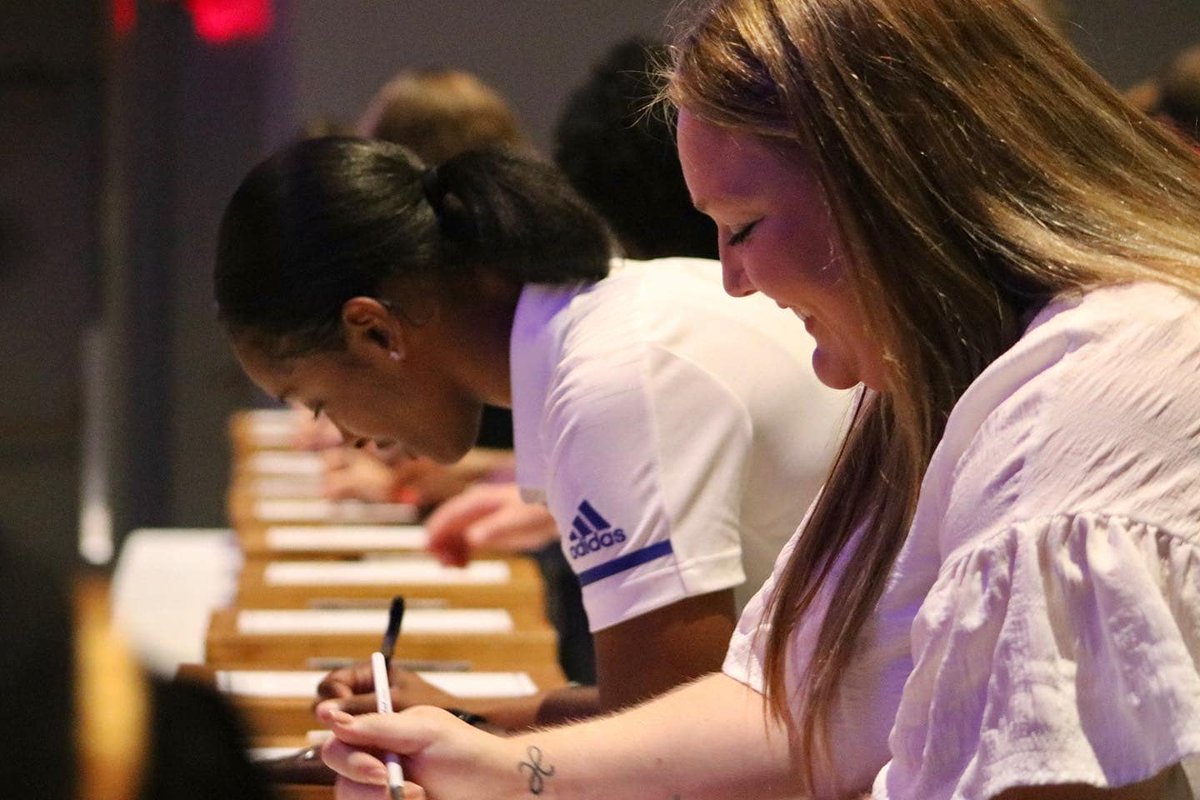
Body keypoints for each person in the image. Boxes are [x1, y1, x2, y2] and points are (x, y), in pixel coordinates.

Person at [315, 1, 1200, 798]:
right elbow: (791, 710)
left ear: (890, 188)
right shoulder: (942, 380)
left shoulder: (1073, 406)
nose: (734, 281)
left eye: (743, 227)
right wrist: (503, 770)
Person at [215, 139, 849, 731]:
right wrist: (465, 719)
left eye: (322, 403)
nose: (346, 436)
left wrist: (466, 746)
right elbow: (662, 718)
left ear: (376, 331)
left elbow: (670, 760)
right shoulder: (615, 322)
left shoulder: (616, 383)